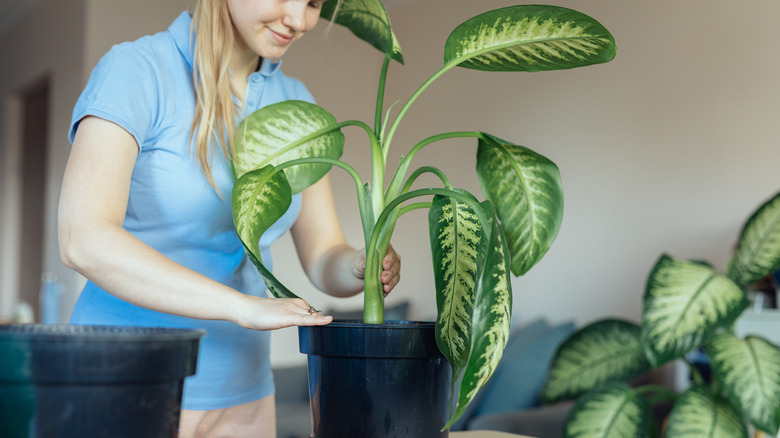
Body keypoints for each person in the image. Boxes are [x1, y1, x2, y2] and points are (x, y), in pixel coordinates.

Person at [57, 0, 401, 436]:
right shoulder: (137, 71)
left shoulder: (295, 104)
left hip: (245, 394)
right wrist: (242, 308)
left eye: (313, 2)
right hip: (122, 381)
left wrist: (360, 265)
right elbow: (82, 238)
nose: (298, 20)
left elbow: (324, 256)